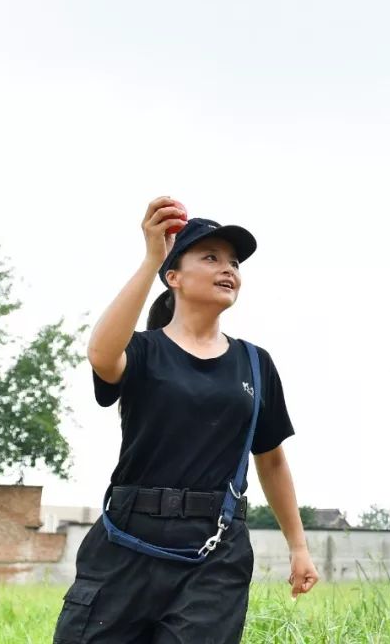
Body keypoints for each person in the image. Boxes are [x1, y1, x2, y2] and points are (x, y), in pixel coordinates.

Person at [53, 196, 319, 644]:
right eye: (211, 257)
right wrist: (152, 256)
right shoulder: (142, 350)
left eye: (234, 261)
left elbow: (271, 460)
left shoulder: (255, 364)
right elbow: (101, 354)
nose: (228, 268)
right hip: (127, 539)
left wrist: (299, 546)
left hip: (214, 551)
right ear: (173, 277)